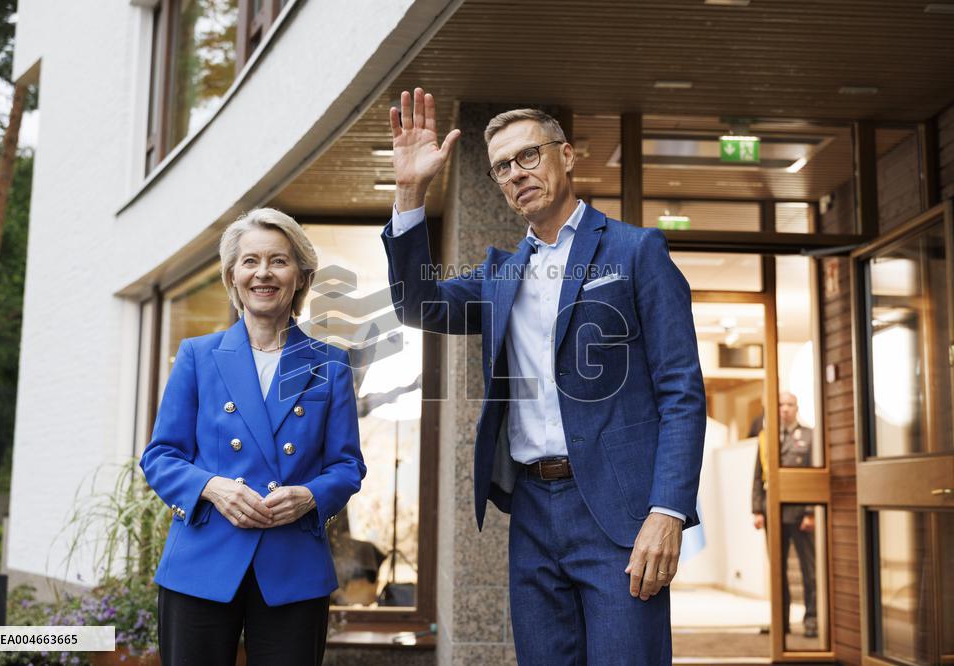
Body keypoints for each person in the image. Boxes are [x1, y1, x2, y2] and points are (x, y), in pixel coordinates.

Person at [381, 88, 706, 665]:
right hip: (532, 510)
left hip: (618, 512)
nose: (516, 174)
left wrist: (668, 511)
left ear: (568, 155)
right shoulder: (501, 276)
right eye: (502, 167)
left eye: (528, 155)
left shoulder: (637, 252)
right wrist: (411, 192)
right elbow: (417, 306)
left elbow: (681, 392)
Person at [140, 208, 366, 666]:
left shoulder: (331, 363)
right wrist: (210, 486)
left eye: (278, 261)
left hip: (292, 566)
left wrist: (309, 494)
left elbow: (347, 466)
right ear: (232, 276)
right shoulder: (198, 356)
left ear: (301, 276)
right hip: (202, 561)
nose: (263, 273)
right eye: (250, 262)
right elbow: (161, 455)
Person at [751, 391, 817, 638]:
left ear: (796, 407)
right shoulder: (766, 437)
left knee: (809, 571)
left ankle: (812, 620)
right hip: (773, 513)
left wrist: (811, 512)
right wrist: (758, 509)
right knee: (777, 571)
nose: (785, 409)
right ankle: (781, 622)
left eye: (789, 404)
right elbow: (758, 476)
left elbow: (813, 474)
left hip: (801, 514)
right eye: (780, 404)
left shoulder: (810, 436)